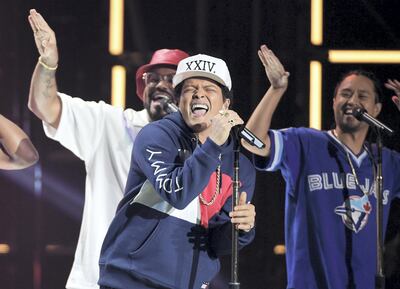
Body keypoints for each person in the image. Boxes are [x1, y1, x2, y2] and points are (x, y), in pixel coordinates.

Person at [27, 8, 189, 289]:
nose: (159, 84)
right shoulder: (111, 124)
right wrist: (48, 62)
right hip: (100, 282)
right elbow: (44, 105)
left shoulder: (202, 149)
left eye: (169, 79)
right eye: (152, 79)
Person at [243, 44, 400, 289]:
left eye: (362, 96)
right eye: (346, 94)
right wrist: (276, 89)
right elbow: (251, 141)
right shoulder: (305, 143)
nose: (353, 101)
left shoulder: (387, 162)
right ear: (334, 101)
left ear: (377, 110)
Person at [98, 54, 257, 289]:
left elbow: (216, 244)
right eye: (189, 89)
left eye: (209, 89)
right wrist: (212, 145)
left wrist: (241, 229)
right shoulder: (157, 136)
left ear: (225, 105)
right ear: (180, 100)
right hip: (130, 280)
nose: (198, 94)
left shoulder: (239, 165)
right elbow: (177, 194)